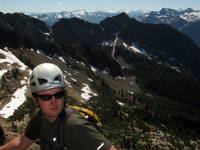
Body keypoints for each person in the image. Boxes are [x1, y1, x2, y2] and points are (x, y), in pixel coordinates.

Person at [0, 63, 117, 150]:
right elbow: (21, 143)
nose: (54, 101)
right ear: (36, 100)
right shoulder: (40, 116)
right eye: (46, 97)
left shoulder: (75, 126)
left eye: (59, 95)